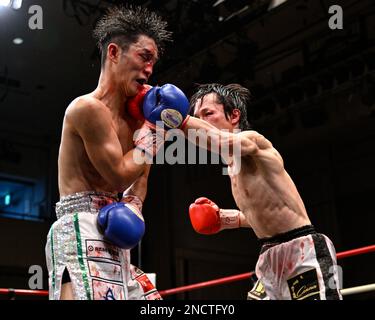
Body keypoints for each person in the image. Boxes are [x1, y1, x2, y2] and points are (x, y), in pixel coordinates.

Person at [45, 5, 174, 300]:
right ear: (114, 53)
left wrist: (133, 205)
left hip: (115, 227)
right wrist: (157, 133)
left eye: (154, 61)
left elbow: (139, 174)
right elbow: (118, 175)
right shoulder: (87, 108)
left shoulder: (138, 119)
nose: (150, 69)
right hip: (80, 226)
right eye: (144, 56)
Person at [183, 83, 342, 300]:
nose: (201, 121)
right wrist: (223, 219)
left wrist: (178, 119)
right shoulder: (231, 167)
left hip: (302, 249)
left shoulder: (253, 141)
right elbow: (266, 212)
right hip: (268, 255)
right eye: (196, 116)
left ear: (234, 116)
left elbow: (219, 140)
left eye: (207, 113)